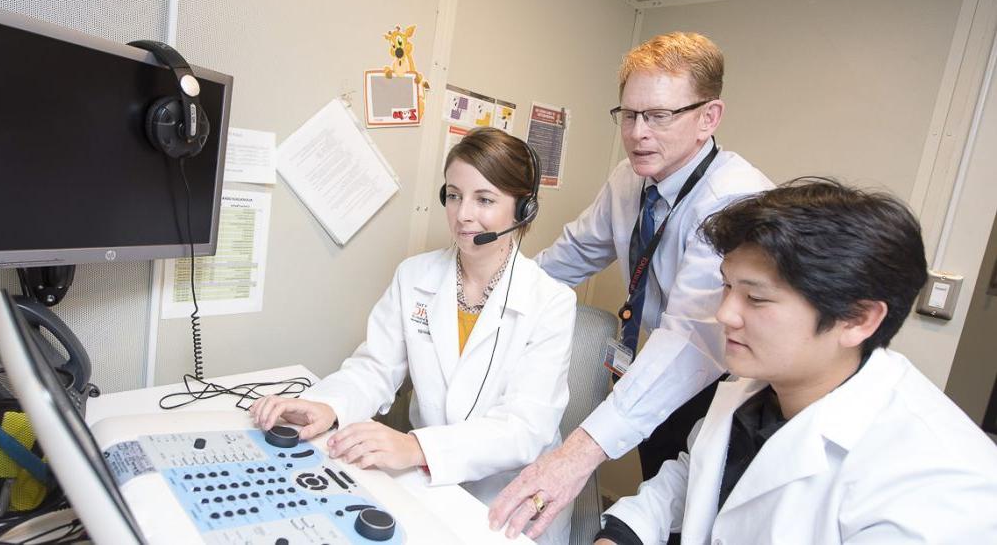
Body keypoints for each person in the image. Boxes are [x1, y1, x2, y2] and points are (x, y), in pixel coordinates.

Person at [595, 179, 997, 544]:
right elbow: (691, 479)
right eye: (727, 286)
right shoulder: (753, 392)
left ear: (857, 318)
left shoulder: (941, 484)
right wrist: (621, 535)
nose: (725, 314)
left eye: (755, 298)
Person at [490, 32, 772, 539]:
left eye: (659, 116)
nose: (638, 132)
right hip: (655, 370)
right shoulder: (630, 178)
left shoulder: (735, 200)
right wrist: (492, 300)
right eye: (629, 114)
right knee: (657, 507)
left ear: (709, 117)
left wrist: (577, 453)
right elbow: (572, 254)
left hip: (728, 381)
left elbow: (693, 338)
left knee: (703, 518)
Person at [250, 127, 576, 545]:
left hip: (509, 506)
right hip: (429, 487)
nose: (463, 215)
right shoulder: (415, 276)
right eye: (454, 195)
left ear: (524, 210)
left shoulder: (551, 302)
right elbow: (375, 368)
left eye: (485, 199)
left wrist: (418, 448)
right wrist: (327, 405)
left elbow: (524, 429)